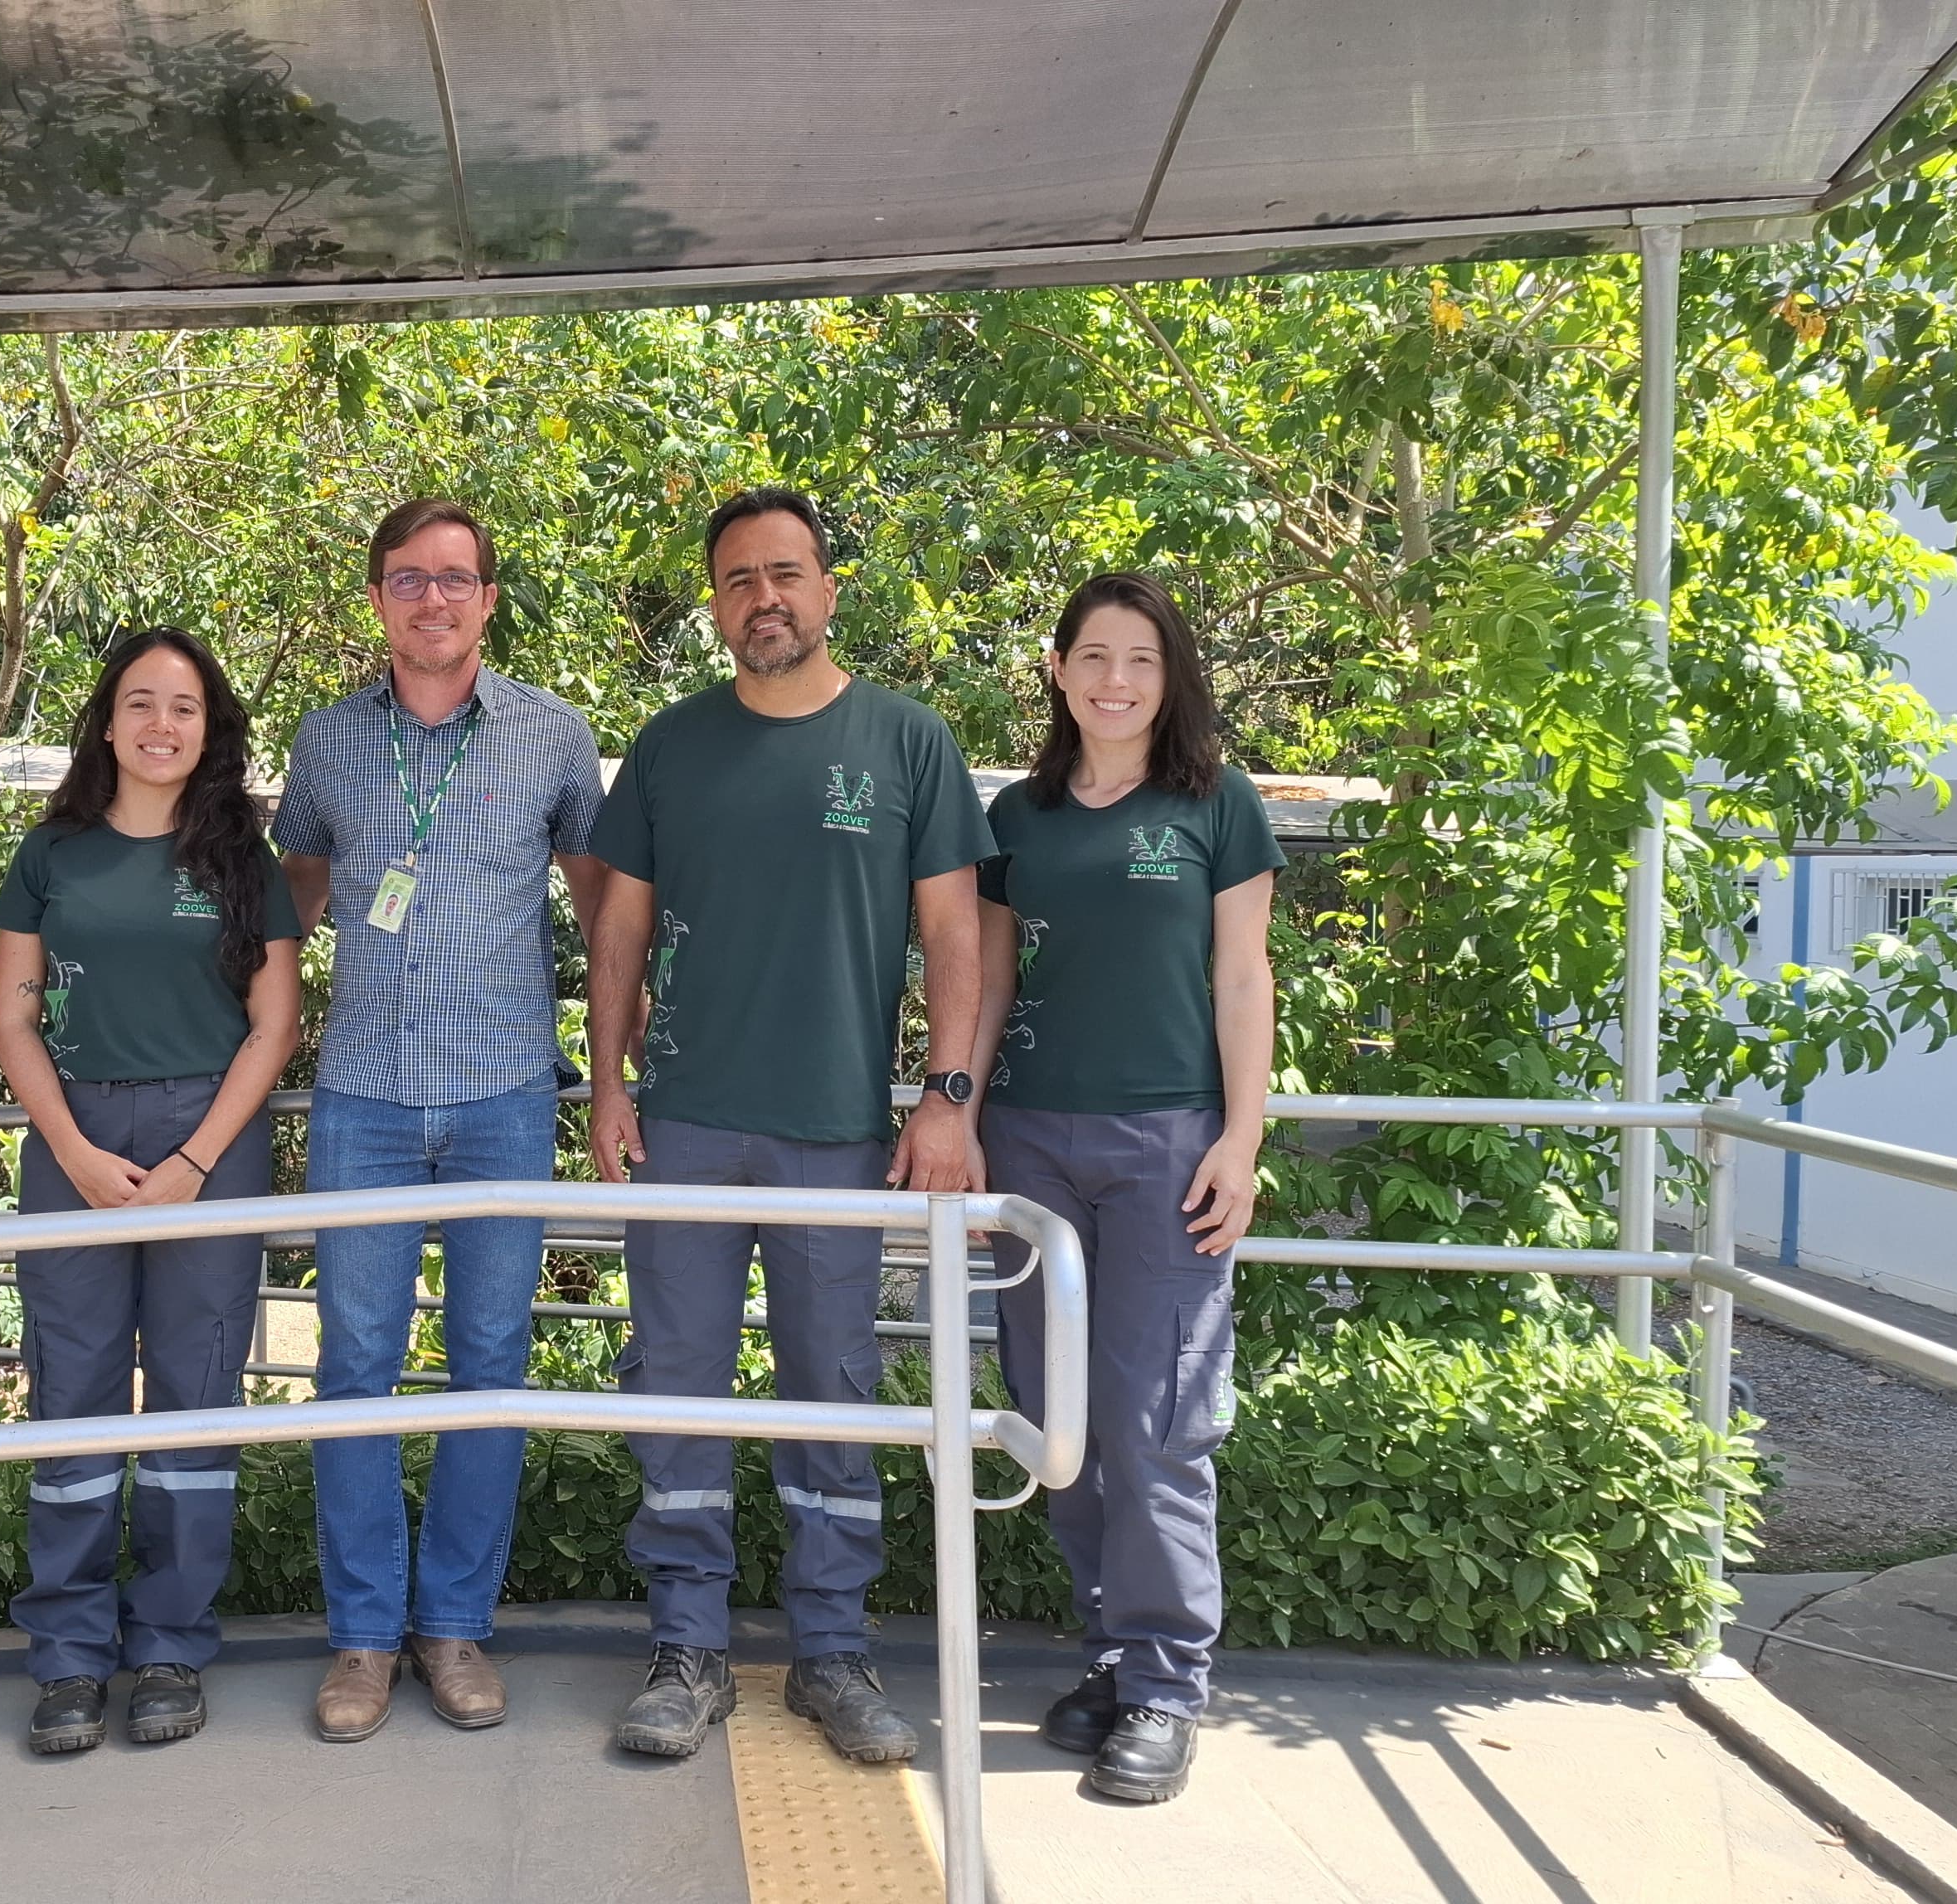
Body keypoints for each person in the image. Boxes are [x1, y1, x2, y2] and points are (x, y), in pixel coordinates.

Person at [584, 488, 989, 1765]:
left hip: (836, 1133)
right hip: (687, 1126)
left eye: (787, 573)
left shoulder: (908, 743)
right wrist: (603, 1081)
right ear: (715, 608)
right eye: (739, 579)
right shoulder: (670, 747)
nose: (766, 597)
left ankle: (832, 1655)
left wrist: (948, 1095)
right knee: (682, 1395)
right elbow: (620, 932)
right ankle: (689, 1650)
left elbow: (955, 935)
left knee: (835, 1396)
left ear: (828, 587)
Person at [270, 498, 608, 1743]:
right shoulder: (324, 746)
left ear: (489, 599)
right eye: (408, 579)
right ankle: (363, 1641)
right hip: (360, 1095)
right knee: (353, 1371)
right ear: (377, 600)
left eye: (455, 579)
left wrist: (615, 1069)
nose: (433, 600)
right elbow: (291, 909)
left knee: (488, 1368)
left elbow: (603, 916)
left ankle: (454, 1627)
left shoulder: (553, 738)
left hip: (507, 1097)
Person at [965, 572, 1280, 1805]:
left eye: (1141, 659)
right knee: (1059, 1423)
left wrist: (1241, 1138)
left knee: (1159, 1424)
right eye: (1094, 656)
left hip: (1166, 1145)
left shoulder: (1216, 805)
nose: (1115, 680)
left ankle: (1162, 1685)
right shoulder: (1019, 819)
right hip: (1030, 1142)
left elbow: (1242, 982)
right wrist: (959, 1119)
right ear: (1058, 670)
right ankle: (1109, 1645)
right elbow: (986, 989)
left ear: (1170, 675)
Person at [0, 627, 303, 1752]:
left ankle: (170, 1643)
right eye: (140, 703)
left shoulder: (240, 862)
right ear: (107, 721)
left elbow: (275, 1026)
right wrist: (68, 1146)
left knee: (196, 1395)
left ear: (209, 730)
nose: (161, 724)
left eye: (184, 707)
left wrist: (194, 1161)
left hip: (208, 1143)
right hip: (75, 1138)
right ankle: (68, 1655)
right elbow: (11, 1017)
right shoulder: (51, 853)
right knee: (67, 1398)